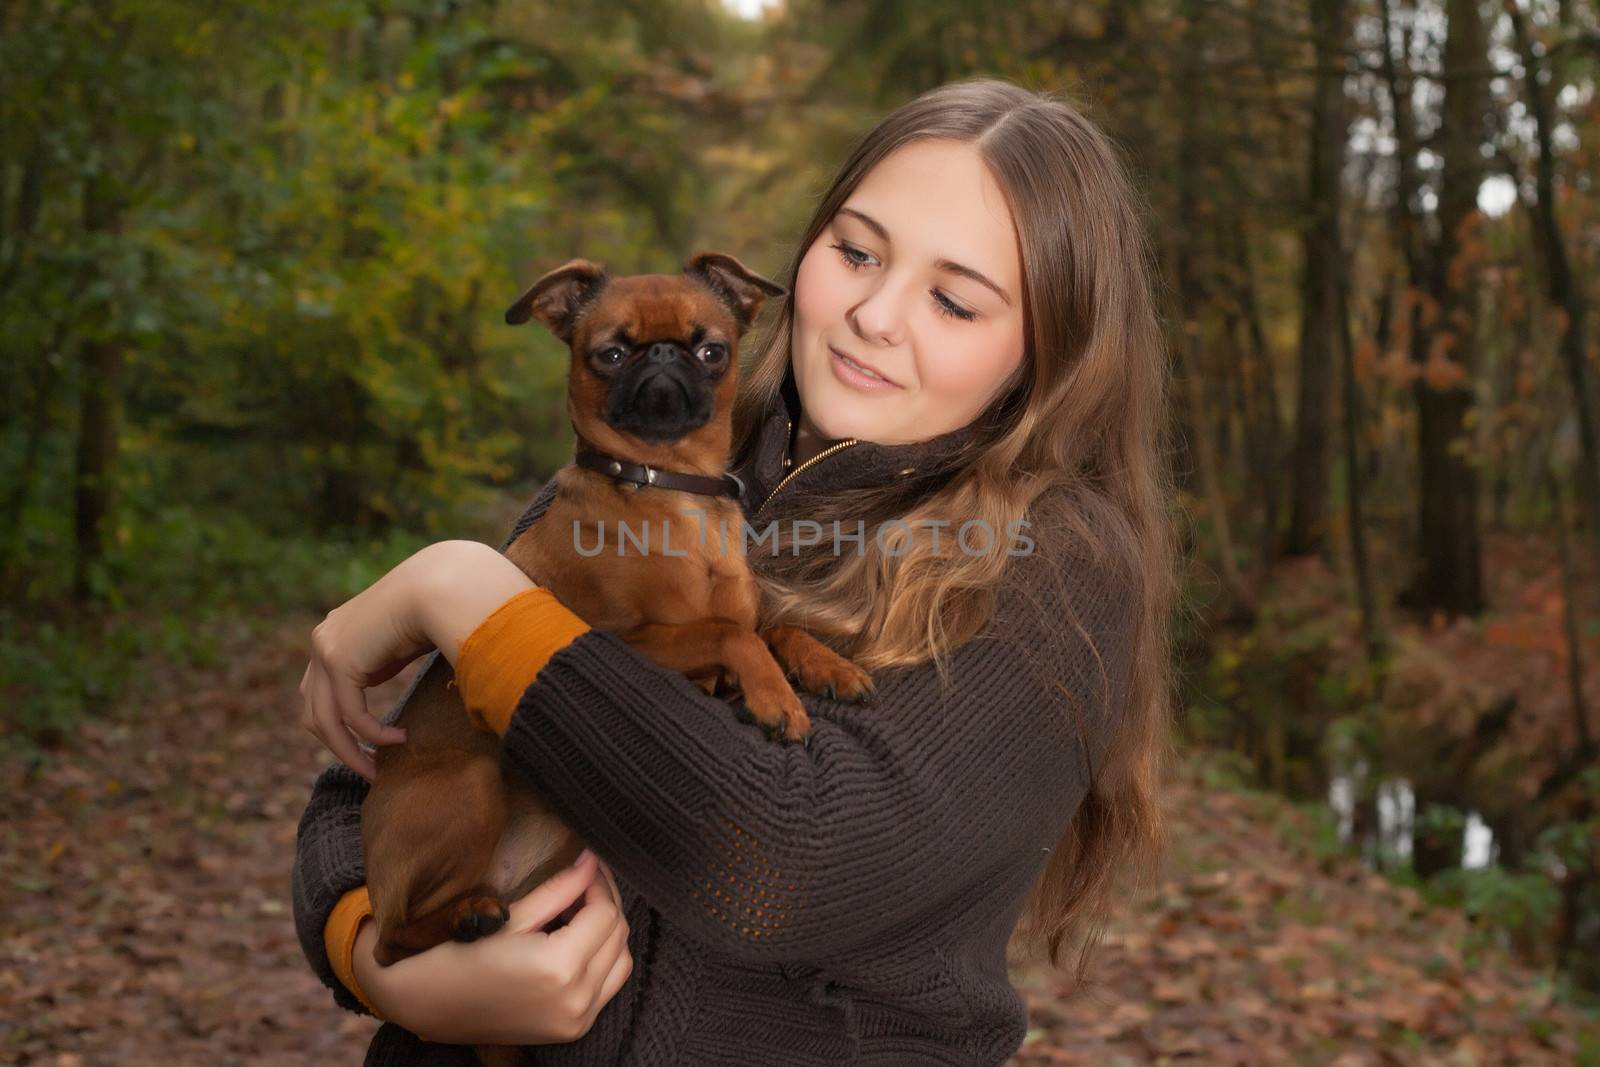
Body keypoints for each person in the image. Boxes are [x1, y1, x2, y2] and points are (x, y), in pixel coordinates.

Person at [293, 76, 1177, 1066]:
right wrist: (383, 961)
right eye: (854, 250)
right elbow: (365, 779)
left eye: (954, 299)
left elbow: (782, 864)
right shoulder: (634, 469)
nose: (875, 313)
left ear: (1048, 352)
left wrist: (456, 587)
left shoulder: (1060, 563)